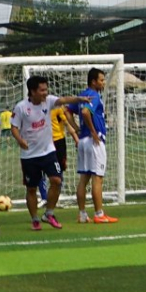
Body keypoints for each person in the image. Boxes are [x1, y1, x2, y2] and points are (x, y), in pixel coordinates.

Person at [11, 75, 88, 231]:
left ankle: (49, 213)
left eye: (46, 89)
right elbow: (14, 127)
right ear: (32, 91)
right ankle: (34, 219)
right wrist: (20, 140)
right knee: (31, 188)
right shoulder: (21, 107)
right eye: (42, 90)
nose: (45, 92)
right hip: (29, 155)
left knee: (57, 180)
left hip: (48, 151)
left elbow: (63, 100)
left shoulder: (49, 101)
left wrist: (79, 99)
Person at [67, 68, 119, 224]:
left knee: (84, 178)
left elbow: (67, 111)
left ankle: (82, 214)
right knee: (98, 178)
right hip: (93, 141)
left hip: (83, 140)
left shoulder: (81, 94)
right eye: (101, 80)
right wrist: (93, 132)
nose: (103, 83)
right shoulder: (94, 96)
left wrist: (76, 128)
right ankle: (99, 213)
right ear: (93, 81)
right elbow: (84, 112)